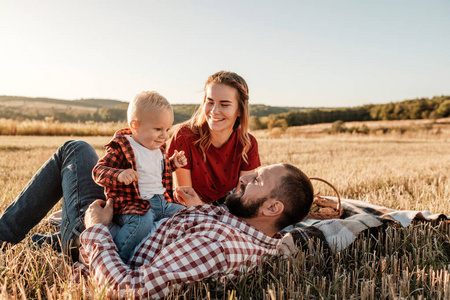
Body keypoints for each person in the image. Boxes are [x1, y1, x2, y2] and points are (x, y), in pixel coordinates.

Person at [75, 163, 314, 299]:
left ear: (272, 208)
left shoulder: (216, 245)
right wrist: (200, 210)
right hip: (134, 225)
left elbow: (128, 291)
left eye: (256, 181)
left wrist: (96, 227)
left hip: (111, 247)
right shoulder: (261, 233)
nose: (244, 177)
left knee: (76, 151)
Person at [92, 91, 187, 262]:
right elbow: (98, 171)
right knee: (142, 222)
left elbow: (158, 170)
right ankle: (118, 259)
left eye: (167, 129)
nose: (165, 136)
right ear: (135, 126)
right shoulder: (123, 147)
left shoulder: (156, 147)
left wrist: (174, 163)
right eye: (158, 129)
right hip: (133, 204)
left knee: (186, 214)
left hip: (162, 202)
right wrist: (119, 174)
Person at [168, 71, 261, 204]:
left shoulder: (247, 143)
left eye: (224, 104)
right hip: (189, 209)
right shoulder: (184, 136)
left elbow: (241, 199)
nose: (214, 111)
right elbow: (184, 197)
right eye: (210, 102)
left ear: (240, 110)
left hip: (225, 207)